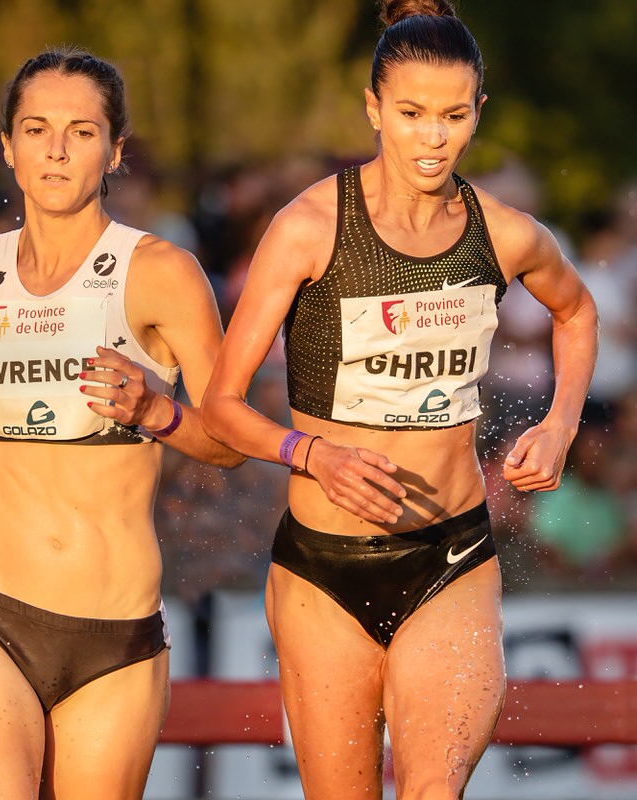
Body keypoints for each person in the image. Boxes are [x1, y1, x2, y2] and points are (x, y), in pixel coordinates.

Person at [200, 2, 598, 798]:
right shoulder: (310, 227)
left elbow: (577, 312)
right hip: (322, 571)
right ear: (374, 108)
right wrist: (311, 454)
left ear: (479, 111)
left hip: (451, 557)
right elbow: (220, 405)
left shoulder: (506, 234)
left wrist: (560, 425)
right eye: (412, 114)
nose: (433, 138)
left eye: (454, 116)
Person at [0, 47, 242, 799]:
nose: (55, 149)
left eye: (80, 132)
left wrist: (156, 411)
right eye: (36, 129)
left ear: (114, 151)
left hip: (116, 634)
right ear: (8, 147)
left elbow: (231, 440)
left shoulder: (162, 273)